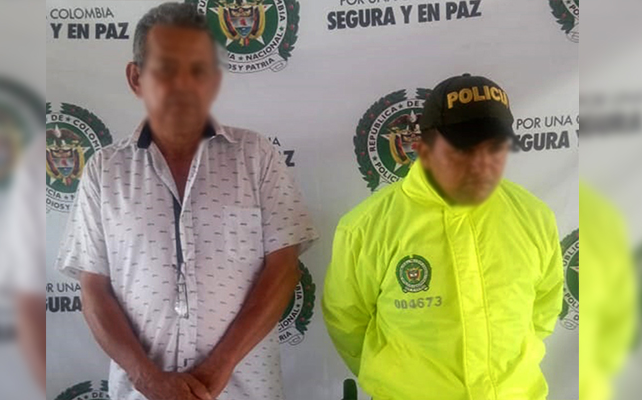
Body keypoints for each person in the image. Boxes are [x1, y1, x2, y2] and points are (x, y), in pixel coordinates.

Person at [55, 3, 318, 400]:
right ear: (136, 78)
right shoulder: (104, 171)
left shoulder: (256, 156)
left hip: (243, 390)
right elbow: (94, 289)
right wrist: (147, 378)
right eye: (166, 68)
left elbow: (283, 270)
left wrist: (217, 369)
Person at [322, 73, 563, 400]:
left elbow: (544, 309)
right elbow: (347, 324)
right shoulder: (365, 228)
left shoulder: (533, 216)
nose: (482, 165)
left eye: (495, 148)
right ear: (423, 149)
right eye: (463, 150)